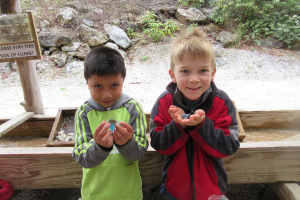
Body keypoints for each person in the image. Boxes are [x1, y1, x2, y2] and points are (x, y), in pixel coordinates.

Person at [149, 28, 240, 200]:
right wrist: (179, 125)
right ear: (173, 75)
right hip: (174, 190)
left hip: (212, 191)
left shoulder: (221, 102)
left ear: (213, 73)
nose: (194, 79)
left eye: (202, 71)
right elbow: (158, 144)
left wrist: (201, 126)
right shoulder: (165, 102)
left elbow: (229, 146)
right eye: (185, 71)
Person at [72, 46, 148, 200]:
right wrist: (99, 146)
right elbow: (81, 156)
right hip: (94, 195)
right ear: (87, 82)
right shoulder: (84, 113)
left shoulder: (133, 108)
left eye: (114, 85)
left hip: (129, 194)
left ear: (123, 81)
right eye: (98, 86)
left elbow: (139, 152)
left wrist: (127, 143)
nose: (106, 94)